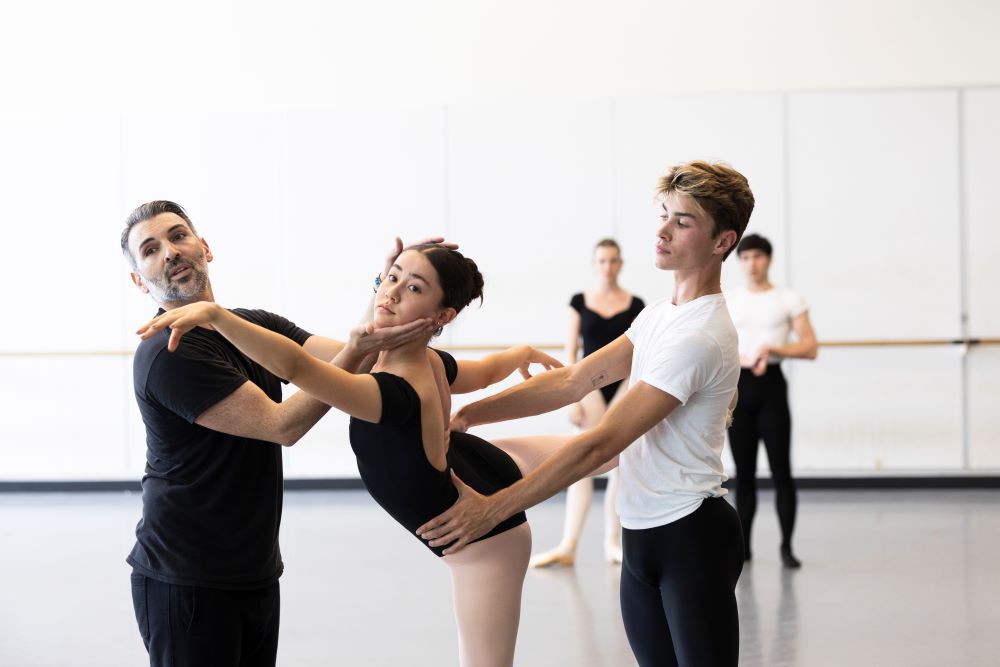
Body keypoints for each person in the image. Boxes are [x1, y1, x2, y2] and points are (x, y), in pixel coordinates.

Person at [137, 244, 606, 667]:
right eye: (392, 276)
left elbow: (301, 368)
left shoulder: (391, 393)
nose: (393, 291)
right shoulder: (422, 361)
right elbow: (483, 372)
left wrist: (215, 316)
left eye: (414, 286)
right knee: (611, 449)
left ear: (442, 316)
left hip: (483, 543)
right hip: (474, 465)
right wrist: (520, 351)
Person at [417, 160, 755, 667]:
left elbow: (602, 444)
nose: (661, 231)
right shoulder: (660, 316)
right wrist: (470, 415)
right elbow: (575, 380)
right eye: (664, 214)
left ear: (722, 242)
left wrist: (494, 508)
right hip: (643, 533)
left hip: (692, 535)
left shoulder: (700, 336)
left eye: (682, 222)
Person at [121, 200, 434, 667]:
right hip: (186, 580)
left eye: (178, 236)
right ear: (138, 278)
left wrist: (385, 288)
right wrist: (358, 349)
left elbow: (352, 358)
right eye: (151, 249)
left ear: (204, 247)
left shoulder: (251, 325)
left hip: (253, 570)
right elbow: (282, 425)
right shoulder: (168, 352)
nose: (170, 251)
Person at [531, 238, 644, 568]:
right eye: (602, 261)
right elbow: (571, 352)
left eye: (613, 261)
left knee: (620, 465)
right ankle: (569, 545)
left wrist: (631, 389)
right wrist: (572, 396)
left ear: (620, 264)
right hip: (590, 386)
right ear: (595, 265)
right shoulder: (579, 301)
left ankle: (613, 541)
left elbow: (638, 351)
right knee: (581, 462)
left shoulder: (636, 304)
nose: (608, 267)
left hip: (624, 385)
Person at [726, 233, 818, 569]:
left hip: (772, 389)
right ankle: (744, 549)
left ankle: (786, 548)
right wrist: (744, 358)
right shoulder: (731, 300)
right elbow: (719, 347)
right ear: (739, 262)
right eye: (746, 258)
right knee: (744, 474)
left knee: (782, 472)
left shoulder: (788, 299)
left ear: (769, 260)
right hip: (740, 387)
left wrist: (772, 349)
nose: (752, 264)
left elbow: (809, 346)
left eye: (758, 257)